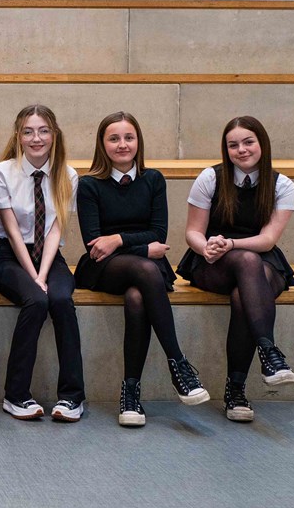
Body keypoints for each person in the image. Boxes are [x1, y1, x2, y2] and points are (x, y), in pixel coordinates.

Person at [75, 111, 209, 428]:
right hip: (104, 267)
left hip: (142, 262)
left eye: (129, 137)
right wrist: (136, 247)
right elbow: (95, 245)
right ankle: (179, 363)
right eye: (114, 138)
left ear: (138, 141)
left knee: (137, 297)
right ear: (102, 144)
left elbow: (158, 234)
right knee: (145, 271)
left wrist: (119, 239)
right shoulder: (89, 185)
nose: (122, 144)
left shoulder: (153, 179)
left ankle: (130, 393)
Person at [179, 116, 294, 423]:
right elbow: (193, 231)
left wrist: (232, 243)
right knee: (246, 264)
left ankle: (235, 391)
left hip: (260, 256)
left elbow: (269, 238)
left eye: (248, 142)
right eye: (233, 145)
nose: (241, 150)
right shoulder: (211, 178)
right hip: (212, 262)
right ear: (226, 149)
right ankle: (269, 353)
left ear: (262, 144)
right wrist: (205, 246)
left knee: (243, 290)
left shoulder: (282, 185)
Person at [0, 105, 85, 422]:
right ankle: (15, 396)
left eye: (43, 130)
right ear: (18, 136)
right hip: (9, 258)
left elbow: (57, 230)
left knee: (60, 299)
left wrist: (43, 274)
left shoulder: (67, 175)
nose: (36, 138)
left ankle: (72, 397)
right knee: (36, 298)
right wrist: (34, 279)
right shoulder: (2, 172)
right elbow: (13, 232)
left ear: (54, 134)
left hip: (49, 255)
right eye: (28, 131)